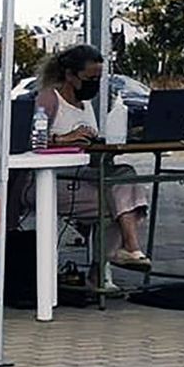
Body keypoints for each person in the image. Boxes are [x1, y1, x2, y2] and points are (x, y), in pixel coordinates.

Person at [30, 44, 151, 272]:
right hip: (53, 180)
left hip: (85, 176)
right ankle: (119, 256)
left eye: (98, 78)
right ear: (70, 75)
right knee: (121, 207)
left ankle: (126, 252)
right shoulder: (49, 98)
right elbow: (30, 140)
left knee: (126, 178)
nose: (94, 83)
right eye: (89, 78)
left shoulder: (86, 105)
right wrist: (64, 139)